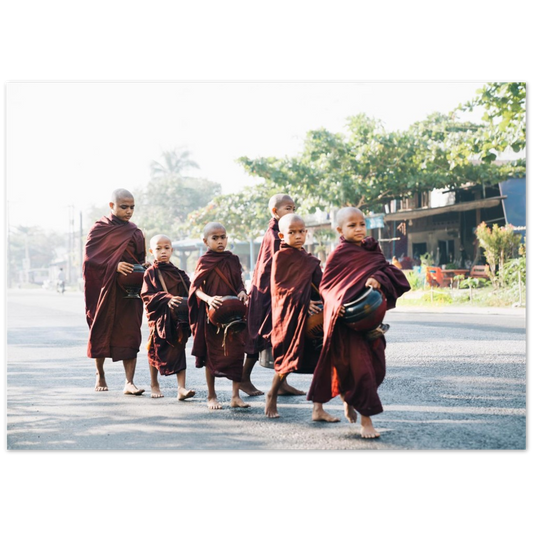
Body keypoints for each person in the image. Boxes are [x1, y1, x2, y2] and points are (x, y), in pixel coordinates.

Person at [307, 207, 410, 438]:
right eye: (352, 225)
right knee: (361, 371)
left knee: (376, 369)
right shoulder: (339, 254)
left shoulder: (372, 251)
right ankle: (366, 422)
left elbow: (393, 273)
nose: (358, 229)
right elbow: (327, 287)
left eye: (361, 224)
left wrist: (378, 279)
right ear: (340, 230)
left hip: (369, 323)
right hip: (346, 324)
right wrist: (336, 303)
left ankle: (348, 399)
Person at [266, 214, 340, 422]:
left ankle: (318, 408)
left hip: (313, 320)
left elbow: (323, 284)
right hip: (289, 317)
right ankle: (272, 394)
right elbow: (279, 288)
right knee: (287, 359)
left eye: (301, 232)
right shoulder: (280, 258)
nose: (298, 236)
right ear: (282, 235)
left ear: (306, 233)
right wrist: (303, 300)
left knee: (321, 360)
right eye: (292, 232)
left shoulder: (309, 260)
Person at [82, 188, 147, 395]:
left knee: (130, 333)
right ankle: (100, 373)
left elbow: (139, 257)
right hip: (106, 289)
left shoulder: (135, 232)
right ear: (112, 206)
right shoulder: (99, 229)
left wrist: (143, 267)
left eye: (132, 207)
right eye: (124, 207)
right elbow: (90, 260)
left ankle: (129, 382)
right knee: (101, 328)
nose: (129, 211)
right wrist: (114, 265)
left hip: (129, 292)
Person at [242, 193, 305, 397]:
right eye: (288, 208)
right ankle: (244, 378)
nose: (292, 212)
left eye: (294, 208)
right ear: (275, 212)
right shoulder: (274, 234)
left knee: (283, 335)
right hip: (267, 293)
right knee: (260, 335)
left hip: (277, 292)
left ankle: (282, 382)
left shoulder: (283, 230)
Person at [188, 222, 250, 410]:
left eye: (223, 237)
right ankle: (211, 396)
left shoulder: (233, 259)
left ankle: (235, 396)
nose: (220, 241)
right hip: (213, 316)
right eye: (215, 238)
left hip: (234, 313)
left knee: (237, 353)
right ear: (205, 241)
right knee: (211, 356)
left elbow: (239, 282)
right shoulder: (203, 261)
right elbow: (195, 289)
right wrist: (208, 299)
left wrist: (242, 292)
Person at [141, 234, 196, 400]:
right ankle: (154, 384)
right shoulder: (150, 273)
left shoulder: (178, 273)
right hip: (159, 317)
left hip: (178, 319)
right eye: (158, 249)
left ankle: (181, 388)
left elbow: (191, 292)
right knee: (155, 349)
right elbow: (146, 295)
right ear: (152, 251)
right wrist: (167, 299)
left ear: (172, 250)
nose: (163, 252)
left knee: (179, 350)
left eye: (166, 248)